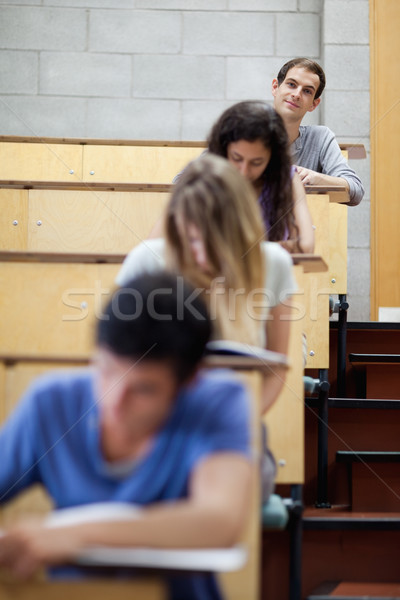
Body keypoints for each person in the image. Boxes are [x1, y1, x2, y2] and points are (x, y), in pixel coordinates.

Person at [0, 271, 253, 600]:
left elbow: (218, 521)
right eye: (105, 372)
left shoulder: (216, 402)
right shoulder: (51, 403)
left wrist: (73, 535)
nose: (113, 402)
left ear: (189, 381)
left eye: (143, 389)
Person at [117, 154, 297, 415]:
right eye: (190, 239)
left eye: (216, 243)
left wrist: (235, 424)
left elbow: (276, 369)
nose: (202, 256)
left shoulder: (273, 263)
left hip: (235, 416)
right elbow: (117, 361)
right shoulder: (146, 260)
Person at [169, 101, 314, 254]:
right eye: (237, 158)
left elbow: (306, 246)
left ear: (272, 158)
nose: (244, 171)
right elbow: (165, 243)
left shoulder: (288, 179)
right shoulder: (206, 175)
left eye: (256, 162)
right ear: (224, 150)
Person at [272, 57, 364, 206]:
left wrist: (314, 178)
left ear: (314, 104)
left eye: (307, 91)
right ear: (275, 87)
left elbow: (356, 191)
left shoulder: (320, 137)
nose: (296, 94)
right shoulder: (245, 132)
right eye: (291, 84)